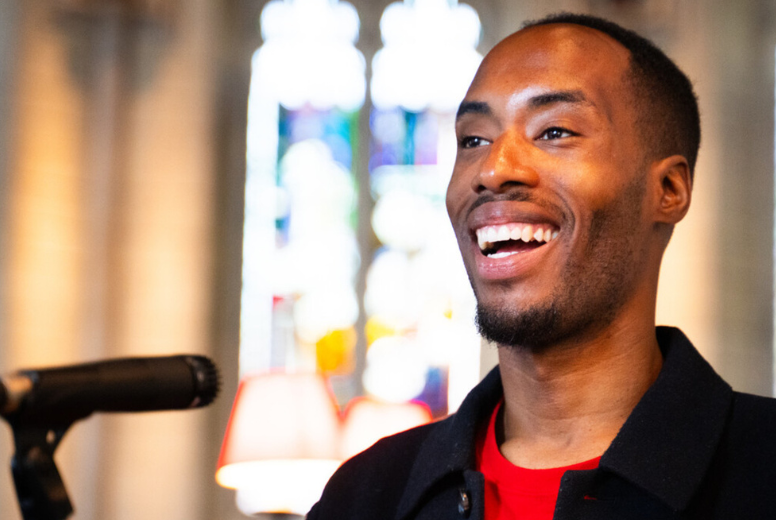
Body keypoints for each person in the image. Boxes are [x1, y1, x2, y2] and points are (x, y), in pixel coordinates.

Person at [307, 12, 776, 520]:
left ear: (668, 190)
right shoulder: (367, 494)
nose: (493, 169)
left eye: (553, 131)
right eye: (473, 140)